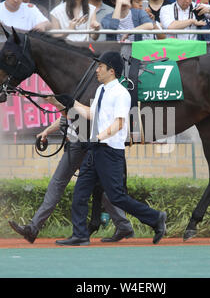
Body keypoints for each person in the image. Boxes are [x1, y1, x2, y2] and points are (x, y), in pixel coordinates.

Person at [46, 51, 167, 246]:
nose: (97, 70)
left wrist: (98, 137)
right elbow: (91, 114)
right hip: (95, 150)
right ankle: (80, 235)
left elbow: (119, 124)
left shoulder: (121, 93)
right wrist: (67, 103)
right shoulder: (102, 91)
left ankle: (156, 218)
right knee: (80, 192)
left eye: (100, 66)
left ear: (111, 70)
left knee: (117, 196)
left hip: (110, 152)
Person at [9, 116, 136, 244]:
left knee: (58, 184)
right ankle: (124, 225)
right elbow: (66, 114)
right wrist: (47, 130)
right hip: (83, 144)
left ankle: (33, 228)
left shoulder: (80, 100)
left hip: (80, 145)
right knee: (101, 187)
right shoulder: (75, 102)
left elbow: (71, 112)